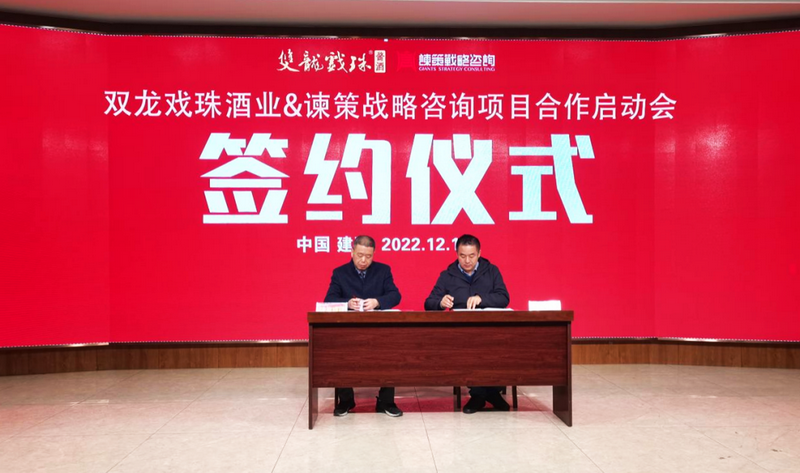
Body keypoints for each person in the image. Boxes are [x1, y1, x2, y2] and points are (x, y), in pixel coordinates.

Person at [424, 234, 511, 414]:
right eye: (462, 256)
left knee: (494, 347)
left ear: (479, 253)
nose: (467, 261)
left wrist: (482, 299)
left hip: (490, 330)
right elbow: (428, 303)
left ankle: (484, 394)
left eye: (472, 256)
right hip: (461, 334)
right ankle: (485, 395)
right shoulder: (447, 275)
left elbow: (504, 298)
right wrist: (441, 303)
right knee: (470, 349)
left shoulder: (492, 271)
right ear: (457, 254)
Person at [324, 235, 403, 417]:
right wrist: (347, 303)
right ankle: (346, 400)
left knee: (390, 352)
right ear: (352, 252)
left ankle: (386, 401)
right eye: (360, 255)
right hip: (349, 330)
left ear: (373, 254)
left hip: (378, 329)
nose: (363, 260)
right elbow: (329, 299)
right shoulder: (340, 273)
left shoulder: (383, 270)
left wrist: (377, 302)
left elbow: (395, 295)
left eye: (368, 256)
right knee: (339, 353)